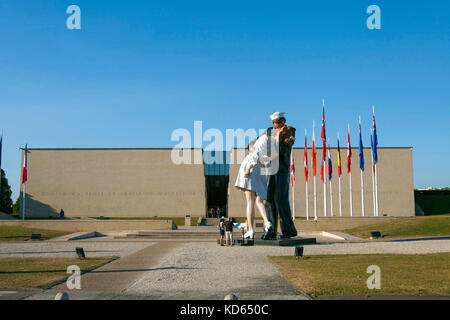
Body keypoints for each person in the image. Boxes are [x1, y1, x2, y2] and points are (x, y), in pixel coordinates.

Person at [234, 133, 279, 239]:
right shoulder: (272, 145)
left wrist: (248, 168)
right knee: (259, 201)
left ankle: (251, 230)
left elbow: (255, 154)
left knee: (250, 201)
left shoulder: (262, 140)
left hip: (252, 167)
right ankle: (267, 223)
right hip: (261, 168)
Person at [262, 112, 298, 239]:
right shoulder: (268, 131)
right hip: (270, 168)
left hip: (282, 168)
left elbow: (286, 147)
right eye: (275, 123)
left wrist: (278, 141)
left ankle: (289, 230)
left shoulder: (289, 130)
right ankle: (271, 230)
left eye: (280, 122)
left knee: (281, 199)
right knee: (269, 199)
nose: (278, 125)